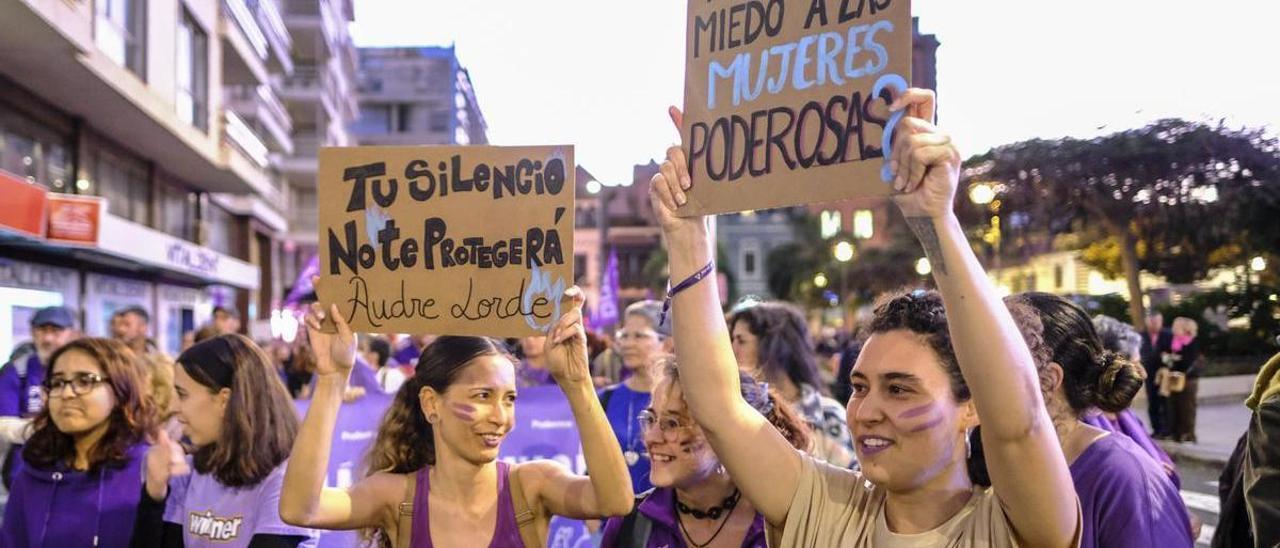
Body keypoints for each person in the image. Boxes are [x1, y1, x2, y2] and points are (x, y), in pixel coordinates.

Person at [648, 89, 1080, 546]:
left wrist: (936, 223)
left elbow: (1019, 423)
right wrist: (686, 237)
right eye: (858, 387)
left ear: (972, 406)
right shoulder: (823, 506)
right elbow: (716, 405)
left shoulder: (1013, 529)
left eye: (899, 389)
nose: (866, 412)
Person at [279, 287, 634, 547]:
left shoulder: (532, 486)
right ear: (431, 404)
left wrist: (578, 383)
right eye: (482, 396)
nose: (500, 417)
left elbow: (615, 501)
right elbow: (300, 510)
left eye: (509, 399)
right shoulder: (397, 497)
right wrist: (332, 380)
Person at [1010, 293, 1193, 547]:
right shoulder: (990, 468)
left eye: (992, 368)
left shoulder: (1123, 478)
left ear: (1049, 380)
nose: (971, 385)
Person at [134, 334, 320, 546]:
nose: (174, 407)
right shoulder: (191, 471)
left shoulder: (284, 479)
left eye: (183, 395)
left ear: (224, 400)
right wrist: (154, 495)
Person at [601, 360, 810, 547]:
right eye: (651, 419)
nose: (652, 437)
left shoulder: (781, 524)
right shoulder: (631, 524)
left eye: (672, 423)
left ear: (727, 432)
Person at [0, 338, 157, 546]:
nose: (66, 394)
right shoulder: (33, 472)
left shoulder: (148, 469)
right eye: (57, 383)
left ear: (121, 389)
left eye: (85, 381)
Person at [728, 301, 856, 468]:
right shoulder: (736, 412)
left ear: (773, 347)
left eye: (741, 341)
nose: (732, 349)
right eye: (732, 340)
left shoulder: (828, 417)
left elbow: (850, 478)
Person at [1088, 315, 1180, 486]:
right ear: (1109, 372)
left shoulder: (1126, 416)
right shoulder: (1086, 431)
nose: (1143, 374)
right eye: (1135, 365)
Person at [600, 300, 671, 495]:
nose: (628, 344)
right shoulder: (605, 398)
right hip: (613, 510)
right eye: (624, 335)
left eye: (639, 336)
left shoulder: (680, 400)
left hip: (666, 510)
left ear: (667, 343)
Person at [1165, 317, 1201, 443]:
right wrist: (1170, 358)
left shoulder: (1192, 342)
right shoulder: (1173, 342)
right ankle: (1176, 433)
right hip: (1174, 378)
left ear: (1185, 329)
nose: (1173, 329)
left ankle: (1189, 434)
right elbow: (1169, 359)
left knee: (1187, 407)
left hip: (1189, 379)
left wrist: (1175, 358)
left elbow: (1187, 361)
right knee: (1174, 406)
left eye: (1176, 327)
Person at [1140, 311, 1173, 438]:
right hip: (1149, 374)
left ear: (1161, 322)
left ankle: (1167, 430)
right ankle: (1156, 429)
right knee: (1152, 402)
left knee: (1165, 402)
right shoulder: (1141, 336)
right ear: (1147, 322)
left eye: (1157, 322)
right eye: (1152, 322)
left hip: (1164, 374)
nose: (1154, 324)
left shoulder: (1168, 334)